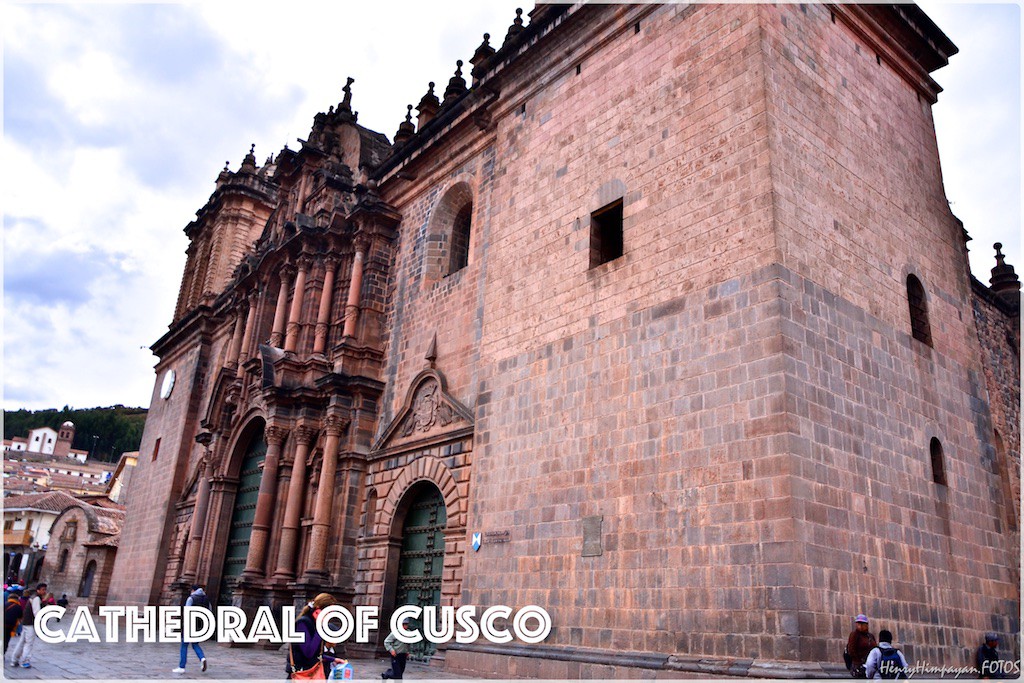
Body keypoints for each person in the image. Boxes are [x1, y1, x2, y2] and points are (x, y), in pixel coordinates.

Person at [287, 593, 339, 679]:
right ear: (319, 609)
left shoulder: (315, 624)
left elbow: (317, 654)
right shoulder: (303, 623)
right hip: (302, 673)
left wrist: (333, 659)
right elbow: (308, 653)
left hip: (313, 673)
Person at [7, 582, 46, 668]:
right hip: (30, 623)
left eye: (45, 590)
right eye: (43, 590)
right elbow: (37, 613)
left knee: (21, 642)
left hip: (26, 622)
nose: (44, 591)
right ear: (38, 590)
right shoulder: (36, 599)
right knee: (29, 642)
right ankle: (25, 661)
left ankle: (14, 659)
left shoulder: (33, 597)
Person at [173, 584, 210, 674]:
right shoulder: (206, 600)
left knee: (184, 645)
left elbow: (187, 612)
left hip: (190, 625)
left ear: (193, 590)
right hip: (199, 626)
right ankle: (202, 658)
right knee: (195, 644)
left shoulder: (191, 598)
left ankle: (181, 667)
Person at [3, 590, 23, 655]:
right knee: (5, 641)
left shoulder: (4, 604)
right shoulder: (18, 607)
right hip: (9, 627)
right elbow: (20, 617)